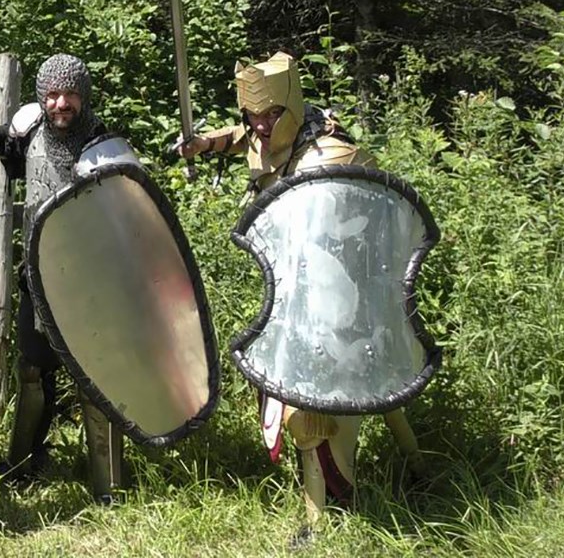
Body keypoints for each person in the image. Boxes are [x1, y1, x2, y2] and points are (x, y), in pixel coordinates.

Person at [178, 51, 423, 533]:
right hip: (293, 289)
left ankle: (323, 518)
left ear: (291, 107)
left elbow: (371, 231)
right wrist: (205, 143)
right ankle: (416, 468)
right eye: (253, 114)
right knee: (328, 391)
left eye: (271, 114)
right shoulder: (263, 135)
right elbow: (244, 139)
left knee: (312, 396)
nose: (261, 125)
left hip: (343, 297)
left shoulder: (332, 156)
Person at [0, 53, 126, 504]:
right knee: (33, 371)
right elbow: (4, 144)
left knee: (94, 377)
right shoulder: (31, 132)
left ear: (83, 97)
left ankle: (108, 483)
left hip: (89, 282)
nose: (61, 104)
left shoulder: (102, 144)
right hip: (38, 275)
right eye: (53, 94)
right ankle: (22, 465)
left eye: (70, 94)